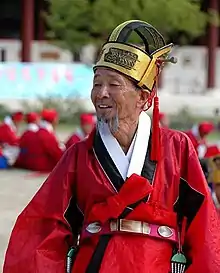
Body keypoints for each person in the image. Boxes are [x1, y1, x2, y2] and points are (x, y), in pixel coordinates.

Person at [3, 20, 220, 273]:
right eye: (96, 84)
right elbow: (43, 228)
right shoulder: (79, 155)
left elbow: (204, 227)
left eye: (114, 85)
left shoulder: (177, 147)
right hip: (96, 263)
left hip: (156, 264)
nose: (101, 93)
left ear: (143, 96)